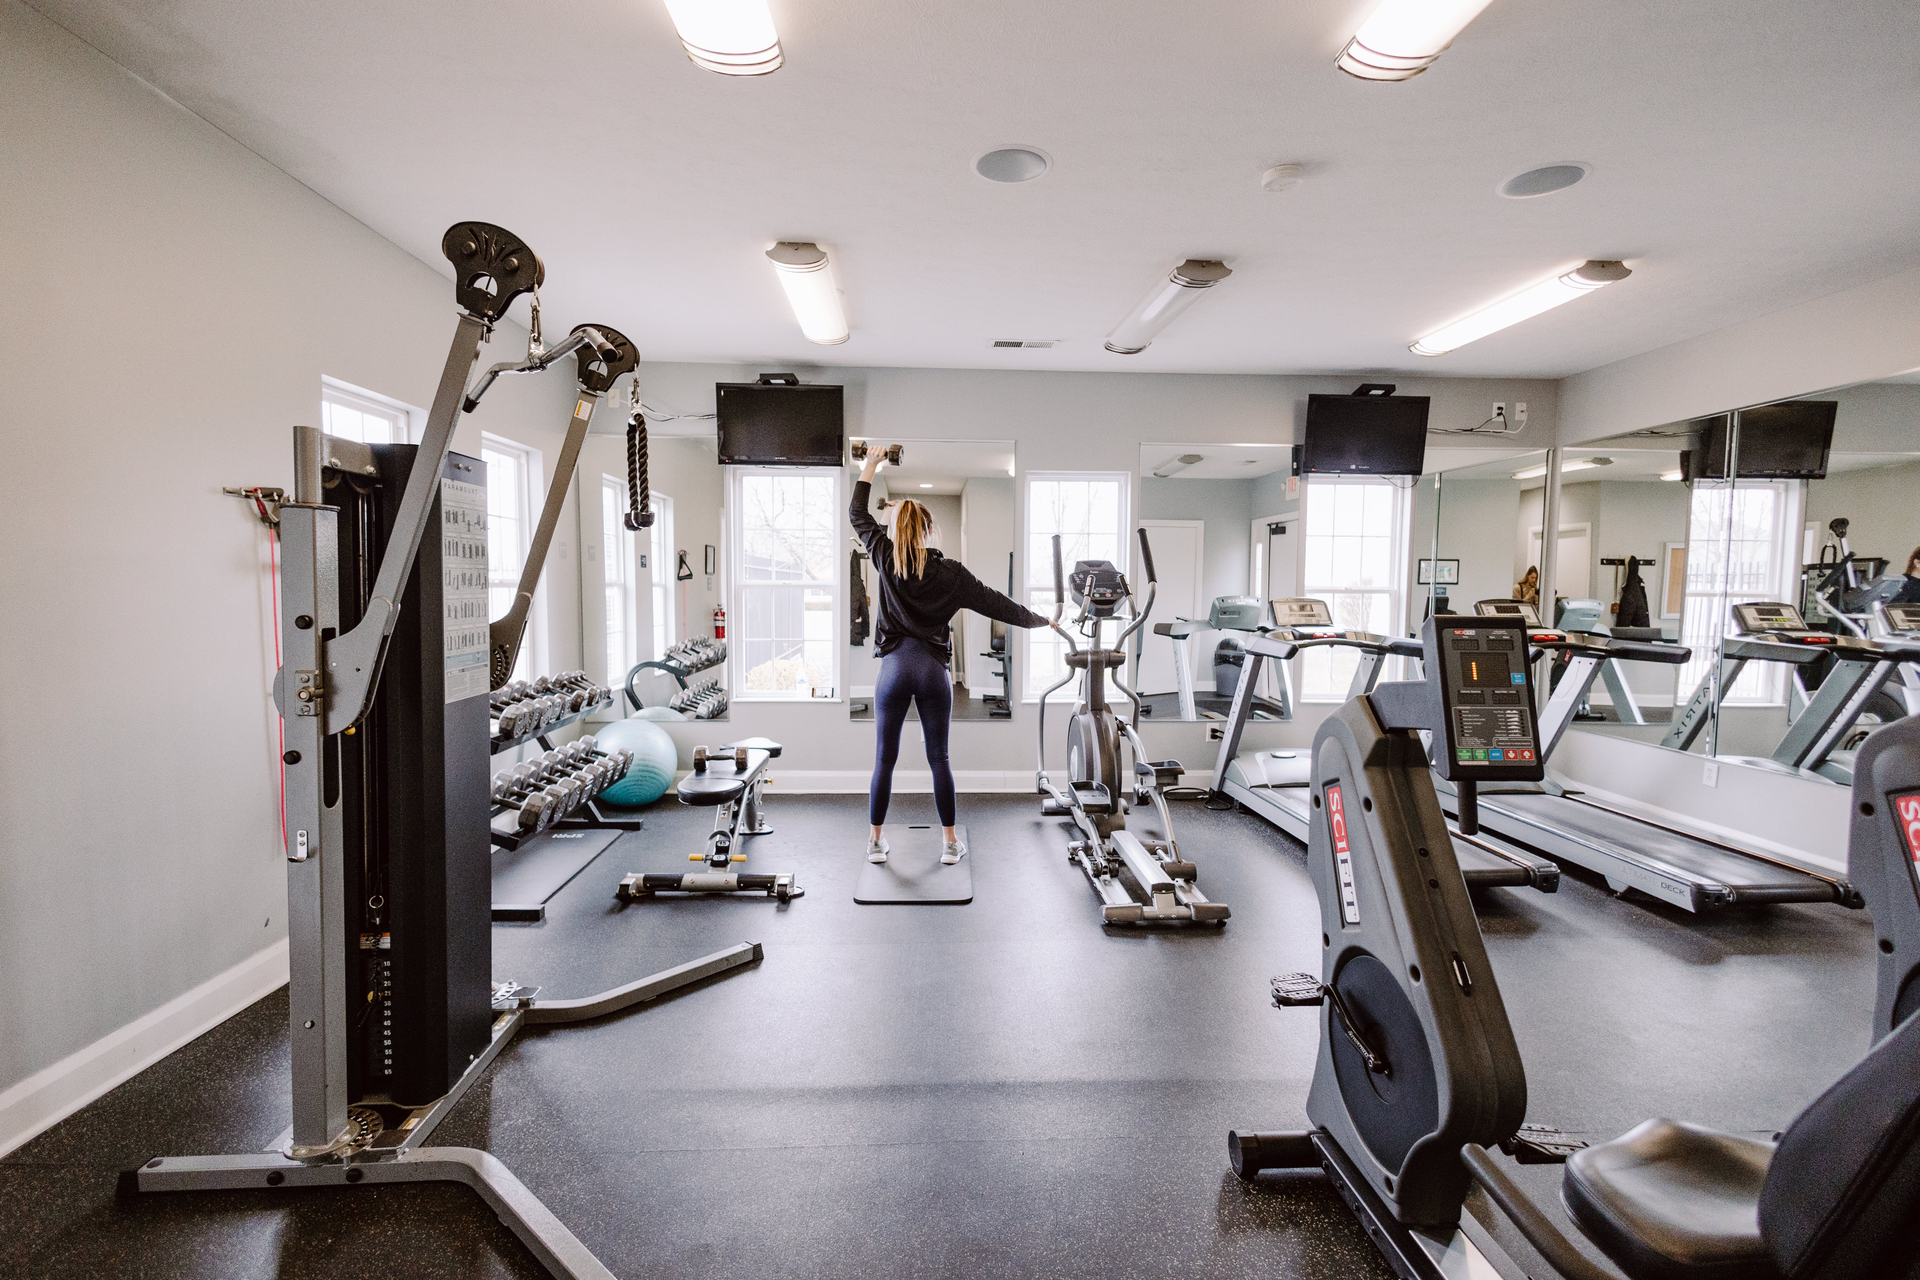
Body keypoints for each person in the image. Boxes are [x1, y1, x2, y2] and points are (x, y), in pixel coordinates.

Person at [851, 446, 1048, 866]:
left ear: (896, 529)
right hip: (932, 671)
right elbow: (998, 604)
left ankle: (875, 842)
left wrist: (871, 465)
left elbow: (857, 514)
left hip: (893, 669)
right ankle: (950, 844)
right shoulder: (951, 573)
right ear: (929, 531)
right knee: (938, 759)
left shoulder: (884, 555)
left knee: (884, 760)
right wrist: (1040, 621)